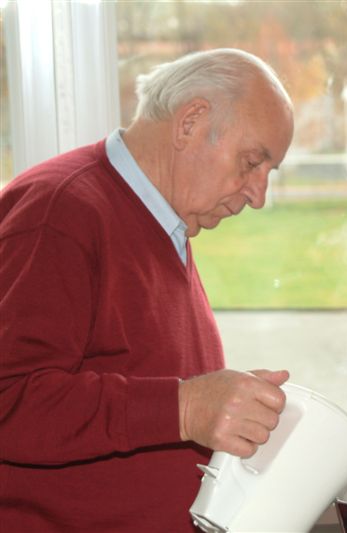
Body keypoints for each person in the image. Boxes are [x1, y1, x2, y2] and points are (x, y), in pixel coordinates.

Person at [0, 48, 294, 532]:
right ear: (190, 122)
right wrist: (185, 407)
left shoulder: (164, 222)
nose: (258, 196)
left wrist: (219, 406)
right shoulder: (59, 212)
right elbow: (11, 399)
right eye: (251, 162)